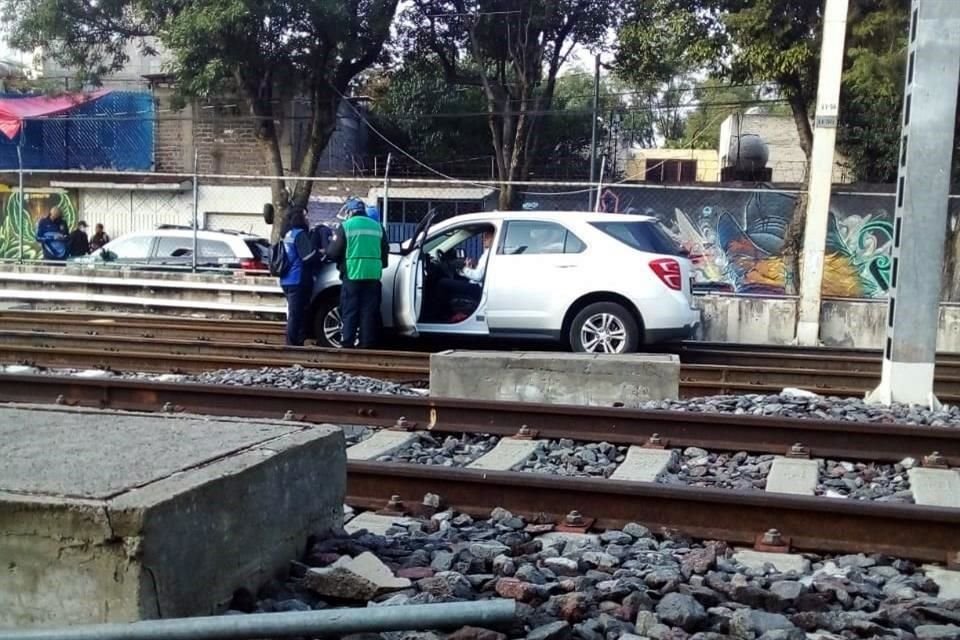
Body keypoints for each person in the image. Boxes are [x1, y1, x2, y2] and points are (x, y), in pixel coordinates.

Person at [326, 199, 389, 349]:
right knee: (369, 310)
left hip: (353, 273)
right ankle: (366, 343)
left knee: (350, 309)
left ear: (350, 211)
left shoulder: (346, 226)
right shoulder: (378, 227)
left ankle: (347, 342)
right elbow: (385, 252)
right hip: (373, 275)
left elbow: (333, 252)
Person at [278, 208, 318, 346]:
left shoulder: (287, 234)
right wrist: (320, 253)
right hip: (298, 279)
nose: (308, 218)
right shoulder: (300, 235)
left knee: (295, 312)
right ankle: (292, 343)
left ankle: (297, 340)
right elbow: (308, 257)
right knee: (296, 313)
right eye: (305, 216)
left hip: (286, 279)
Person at [435, 229, 494, 320]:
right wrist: (469, 268)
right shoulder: (488, 252)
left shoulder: (489, 253)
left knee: (442, 283)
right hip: (476, 284)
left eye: (487, 236)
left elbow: (478, 276)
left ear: (494, 237)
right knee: (454, 281)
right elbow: (479, 273)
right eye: (483, 236)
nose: (483, 239)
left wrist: (463, 268)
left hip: (478, 288)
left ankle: (442, 316)